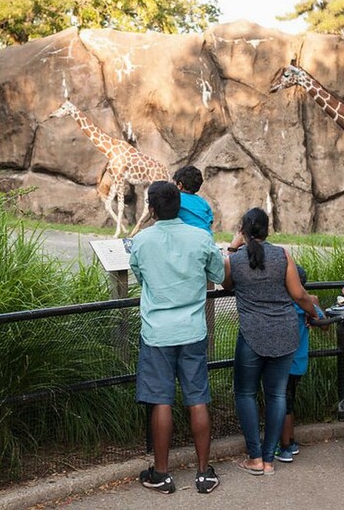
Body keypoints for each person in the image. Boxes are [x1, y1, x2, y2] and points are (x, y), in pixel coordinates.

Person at [128, 181, 226, 494]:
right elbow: (219, 275)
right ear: (180, 205)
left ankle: (161, 473)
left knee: (161, 400)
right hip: (193, 331)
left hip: (157, 334)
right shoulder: (201, 238)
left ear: (152, 208)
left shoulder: (141, 241)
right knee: (197, 398)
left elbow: (140, 277)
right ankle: (203, 473)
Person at [223, 208, 322, 475]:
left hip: (252, 335)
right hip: (285, 332)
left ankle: (254, 457)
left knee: (245, 393)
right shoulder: (282, 255)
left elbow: (226, 284)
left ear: (243, 231)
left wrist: (233, 248)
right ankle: (268, 460)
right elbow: (299, 295)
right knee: (277, 394)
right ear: (268, 231)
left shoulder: (236, 260)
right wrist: (314, 314)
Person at [274, 265, 323, 463]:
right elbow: (324, 322)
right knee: (289, 401)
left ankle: (284, 447)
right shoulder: (306, 305)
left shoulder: (284, 305)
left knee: (283, 404)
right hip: (299, 362)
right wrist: (316, 303)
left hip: (285, 362)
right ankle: (291, 441)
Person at [173, 165, 214, 234]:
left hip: (187, 237)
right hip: (207, 237)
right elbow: (210, 219)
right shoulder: (203, 202)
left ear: (180, 185)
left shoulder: (176, 199)